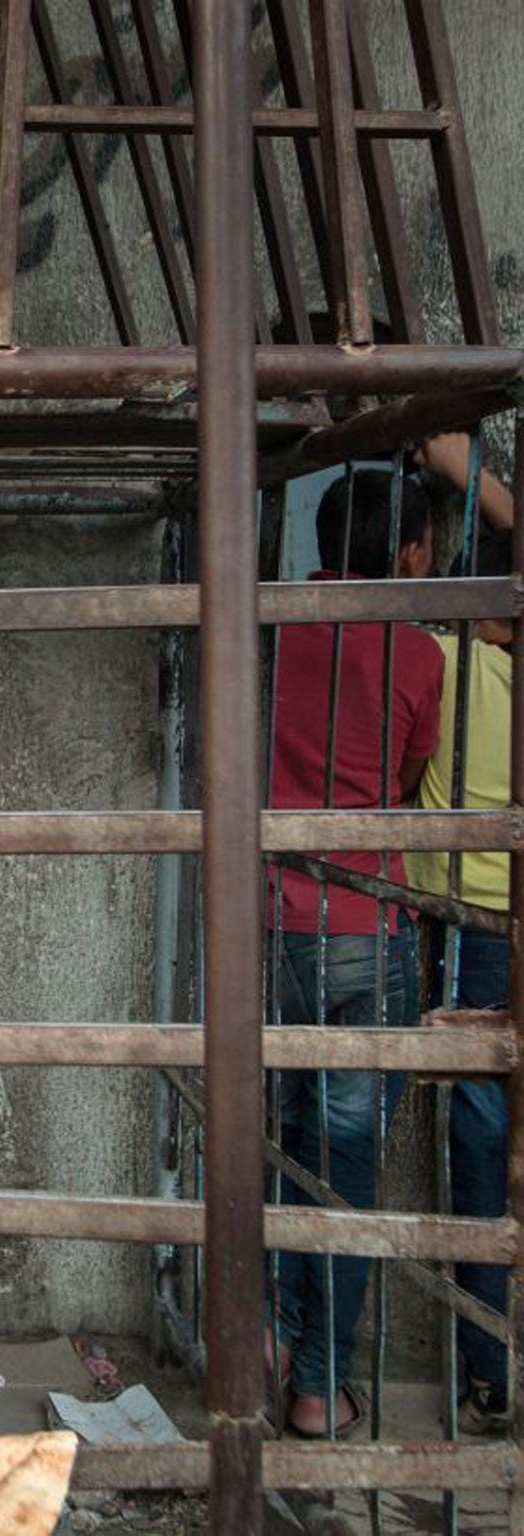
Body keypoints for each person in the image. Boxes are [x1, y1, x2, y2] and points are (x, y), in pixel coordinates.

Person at [265, 468, 445, 1439]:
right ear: (409, 553)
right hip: (363, 928)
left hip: (270, 918)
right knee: (341, 1171)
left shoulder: (275, 628)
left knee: (271, 1144)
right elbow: (412, 777)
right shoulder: (421, 656)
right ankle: (315, 1388)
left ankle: (263, 1335)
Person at [405, 493, 515, 1436]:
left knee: (478, 1136)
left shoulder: (444, 657)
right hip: (504, 919)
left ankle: (491, 1368)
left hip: (462, 920)